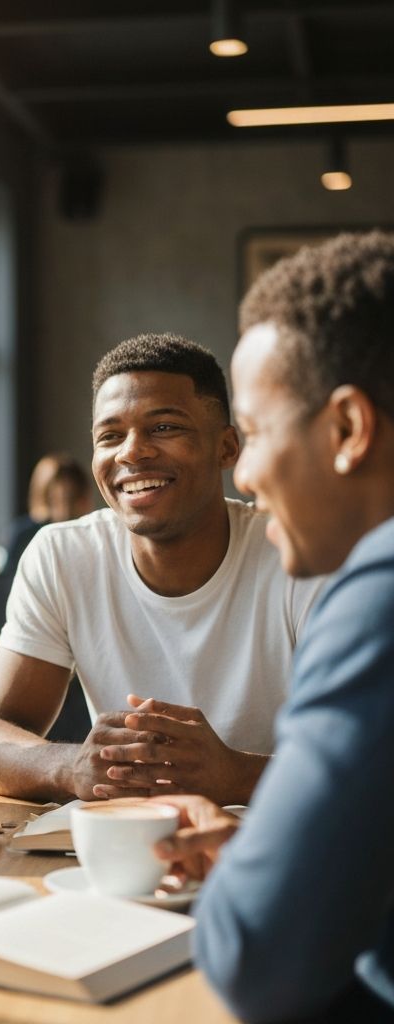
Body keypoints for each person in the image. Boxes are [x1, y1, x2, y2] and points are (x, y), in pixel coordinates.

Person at [151, 231, 394, 1022]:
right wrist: (281, 856)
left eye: (252, 435)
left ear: (349, 429)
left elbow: (259, 962)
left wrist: (255, 883)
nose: (243, 474)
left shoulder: (377, 596)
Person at [0, 333, 325, 806]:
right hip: (122, 846)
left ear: (227, 448)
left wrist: (235, 775)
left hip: (277, 840)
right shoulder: (62, 555)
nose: (131, 453)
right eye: (110, 436)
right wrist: (70, 766)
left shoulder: (301, 555)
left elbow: (370, 763)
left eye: (164, 428)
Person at [3, 452, 93, 575]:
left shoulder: (90, 534)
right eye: (54, 498)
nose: (63, 509)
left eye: (70, 498)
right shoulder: (24, 534)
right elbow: (8, 578)